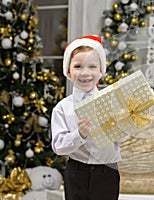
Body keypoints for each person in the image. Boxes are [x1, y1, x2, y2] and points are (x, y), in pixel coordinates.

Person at [51, 35, 122, 200]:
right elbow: (59, 146)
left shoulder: (112, 103)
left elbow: (123, 137)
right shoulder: (62, 108)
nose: (85, 73)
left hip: (107, 172)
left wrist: (118, 124)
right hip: (77, 172)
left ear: (101, 71)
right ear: (68, 71)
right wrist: (79, 134)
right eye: (78, 66)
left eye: (92, 67)